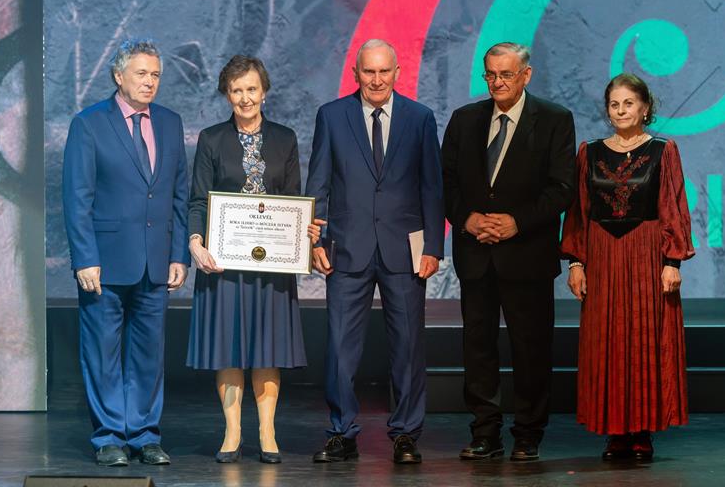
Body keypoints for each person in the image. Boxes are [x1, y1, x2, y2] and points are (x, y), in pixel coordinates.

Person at [306, 39, 445, 465]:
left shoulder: (420, 118)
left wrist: (433, 247)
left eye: (385, 71)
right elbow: (319, 183)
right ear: (356, 73)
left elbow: (432, 187)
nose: (377, 79)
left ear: (398, 72)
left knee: (408, 347)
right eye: (369, 71)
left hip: (405, 250)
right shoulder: (332, 116)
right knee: (340, 349)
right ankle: (341, 432)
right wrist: (315, 241)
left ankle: (405, 434)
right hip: (346, 248)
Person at [441, 42, 576, 462]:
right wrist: (467, 219)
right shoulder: (465, 120)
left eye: (506, 74)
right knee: (478, 348)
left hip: (527, 255)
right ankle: (485, 432)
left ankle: (528, 434)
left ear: (526, 75)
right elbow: (444, 182)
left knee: (531, 350)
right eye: (491, 75)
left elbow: (562, 188)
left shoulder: (554, 119)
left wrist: (517, 221)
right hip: (476, 254)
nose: (497, 83)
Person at [185, 55, 322, 464]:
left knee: (267, 348)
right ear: (227, 94)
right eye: (236, 90)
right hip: (223, 264)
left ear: (264, 92)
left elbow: (294, 201)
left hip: (272, 266)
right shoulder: (211, 139)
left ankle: (267, 430)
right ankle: (232, 432)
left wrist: (305, 231)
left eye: (251, 89)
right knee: (228, 349)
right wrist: (196, 242)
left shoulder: (284, 138)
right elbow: (198, 199)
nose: (245, 98)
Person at [62, 38, 189, 467]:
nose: (150, 82)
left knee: (149, 354)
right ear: (119, 76)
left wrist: (178, 254)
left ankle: (145, 435)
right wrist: (84, 258)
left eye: (155, 75)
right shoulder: (89, 124)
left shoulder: (170, 123)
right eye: (141, 73)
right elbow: (77, 198)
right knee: (103, 352)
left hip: (156, 260)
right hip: (105, 261)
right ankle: (109, 436)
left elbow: (179, 194)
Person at [560, 73, 693, 462]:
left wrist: (671, 262)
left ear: (645, 108)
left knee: (643, 338)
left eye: (628, 103)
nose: (620, 111)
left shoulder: (663, 150)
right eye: (614, 104)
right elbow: (579, 211)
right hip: (602, 254)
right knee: (608, 341)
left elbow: (672, 206)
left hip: (646, 254)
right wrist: (576, 262)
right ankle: (615, 432)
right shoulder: (589, 152)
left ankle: (641, 431)